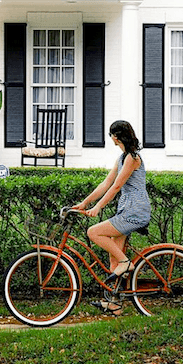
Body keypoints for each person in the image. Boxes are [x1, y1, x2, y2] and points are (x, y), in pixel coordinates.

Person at [72, 120, 151, 316]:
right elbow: (106, 183)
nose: (111, 139)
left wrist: (98, 207)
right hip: (127, 210)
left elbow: (116, 186)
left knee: (93, 232)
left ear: (116, 137)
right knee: (113, 260)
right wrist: (85, 203)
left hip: (135, 211)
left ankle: (127, 263)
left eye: (111, 135)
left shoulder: (133, 158)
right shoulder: (122, 158)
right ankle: (115, 303)